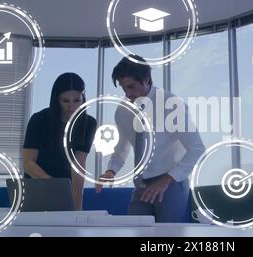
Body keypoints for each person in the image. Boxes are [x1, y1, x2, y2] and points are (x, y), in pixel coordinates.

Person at [96, 55, 205, 222]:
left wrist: (165, 181)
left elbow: (197, 148)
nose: (128, 94)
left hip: (171, 184)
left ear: (146, 79)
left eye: (131, 87)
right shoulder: (123, 112)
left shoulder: (171, 104)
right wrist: (111, 170)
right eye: (124, 89)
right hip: (141, 185)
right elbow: (122, 148)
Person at [23, 72, 97, 210]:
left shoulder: (89, 123)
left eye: (77, 100)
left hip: (65, 190)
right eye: (65, 101)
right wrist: (54, 186)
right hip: (36, 185)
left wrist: (77, 208)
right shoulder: (38, 120)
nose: (72, 107)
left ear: (83, 98)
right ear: (57, 99)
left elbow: (78, 166)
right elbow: (28, 163)